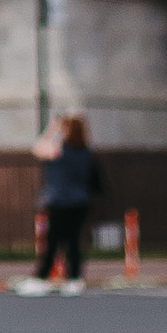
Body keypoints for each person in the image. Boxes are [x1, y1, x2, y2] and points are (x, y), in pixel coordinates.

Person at [21, 116, 102, 295]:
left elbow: (38, 148)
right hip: (80, 202)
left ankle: (42, 278)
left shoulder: (59, 151)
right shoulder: (86, 152)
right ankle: (74, 278)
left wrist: (52, 128)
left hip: (60, 202)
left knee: (53, 241)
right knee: (73, 241)